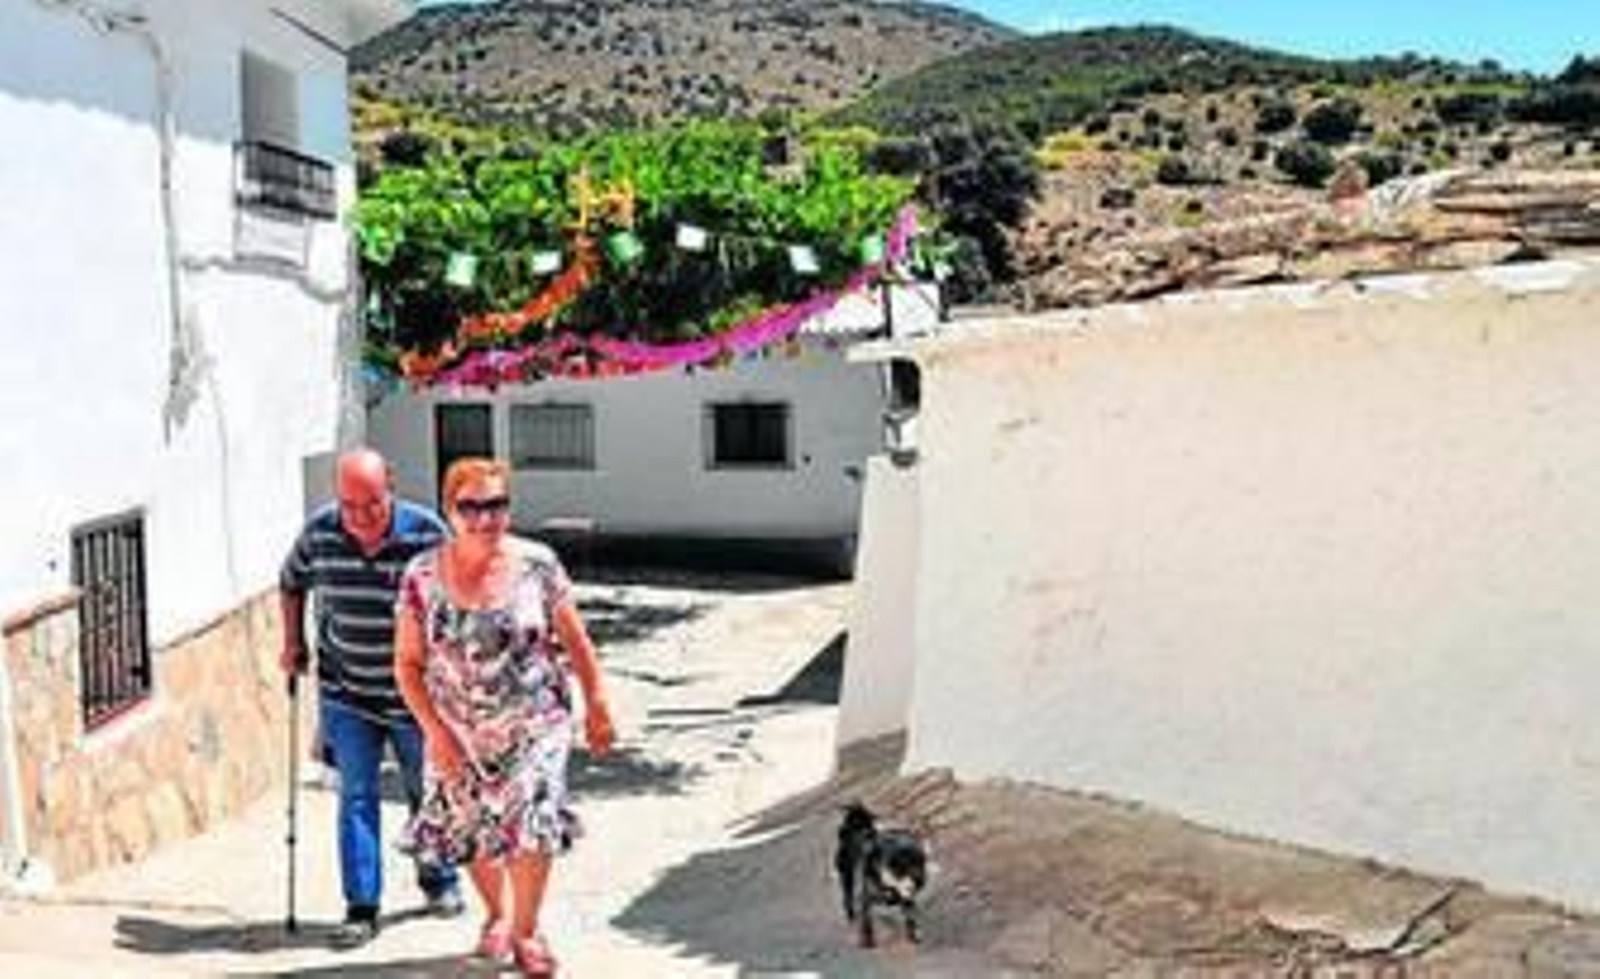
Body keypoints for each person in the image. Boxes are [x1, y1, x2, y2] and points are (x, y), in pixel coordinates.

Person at [394, 457, 615, 976]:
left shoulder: (538, 564)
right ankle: (497, 912)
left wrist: (598, 702)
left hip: (535, 721)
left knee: (532, 823)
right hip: (455, 728)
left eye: (496, 505)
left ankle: (526, 930)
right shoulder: (421, 576)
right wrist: (435, 733)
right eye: (471, 507)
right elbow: (406, 665)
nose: (485, 518)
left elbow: (575, 642)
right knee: (469, 830)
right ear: (449, 511)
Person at [279, 448, 464, 948]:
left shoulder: (428, 535)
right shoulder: (320, 533)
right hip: (347, 691)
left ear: (393, 488)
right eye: (349, 505)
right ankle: (361, 906)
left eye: (372, 505)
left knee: (424, 792)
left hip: (417, 697)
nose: (360, 517)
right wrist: (292, 642)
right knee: (356, 796)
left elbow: (458, 602)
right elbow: (291, 581)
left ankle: (439, 878)